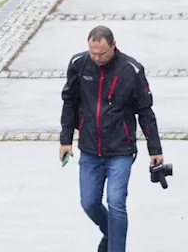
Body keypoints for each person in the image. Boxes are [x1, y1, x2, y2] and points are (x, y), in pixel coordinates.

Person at [60, 25, 164, 252]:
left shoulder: (131, 70)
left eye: (102, 53)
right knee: (89, 202)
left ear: (113, 46)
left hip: (121, 149)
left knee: (116, 203)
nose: (96, 58)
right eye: (92, 53)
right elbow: (70, 102)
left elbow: (146, 112)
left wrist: (155, 150)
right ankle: (111, 233)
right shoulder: (79, 64)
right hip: (89, 148)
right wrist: (65, 140)